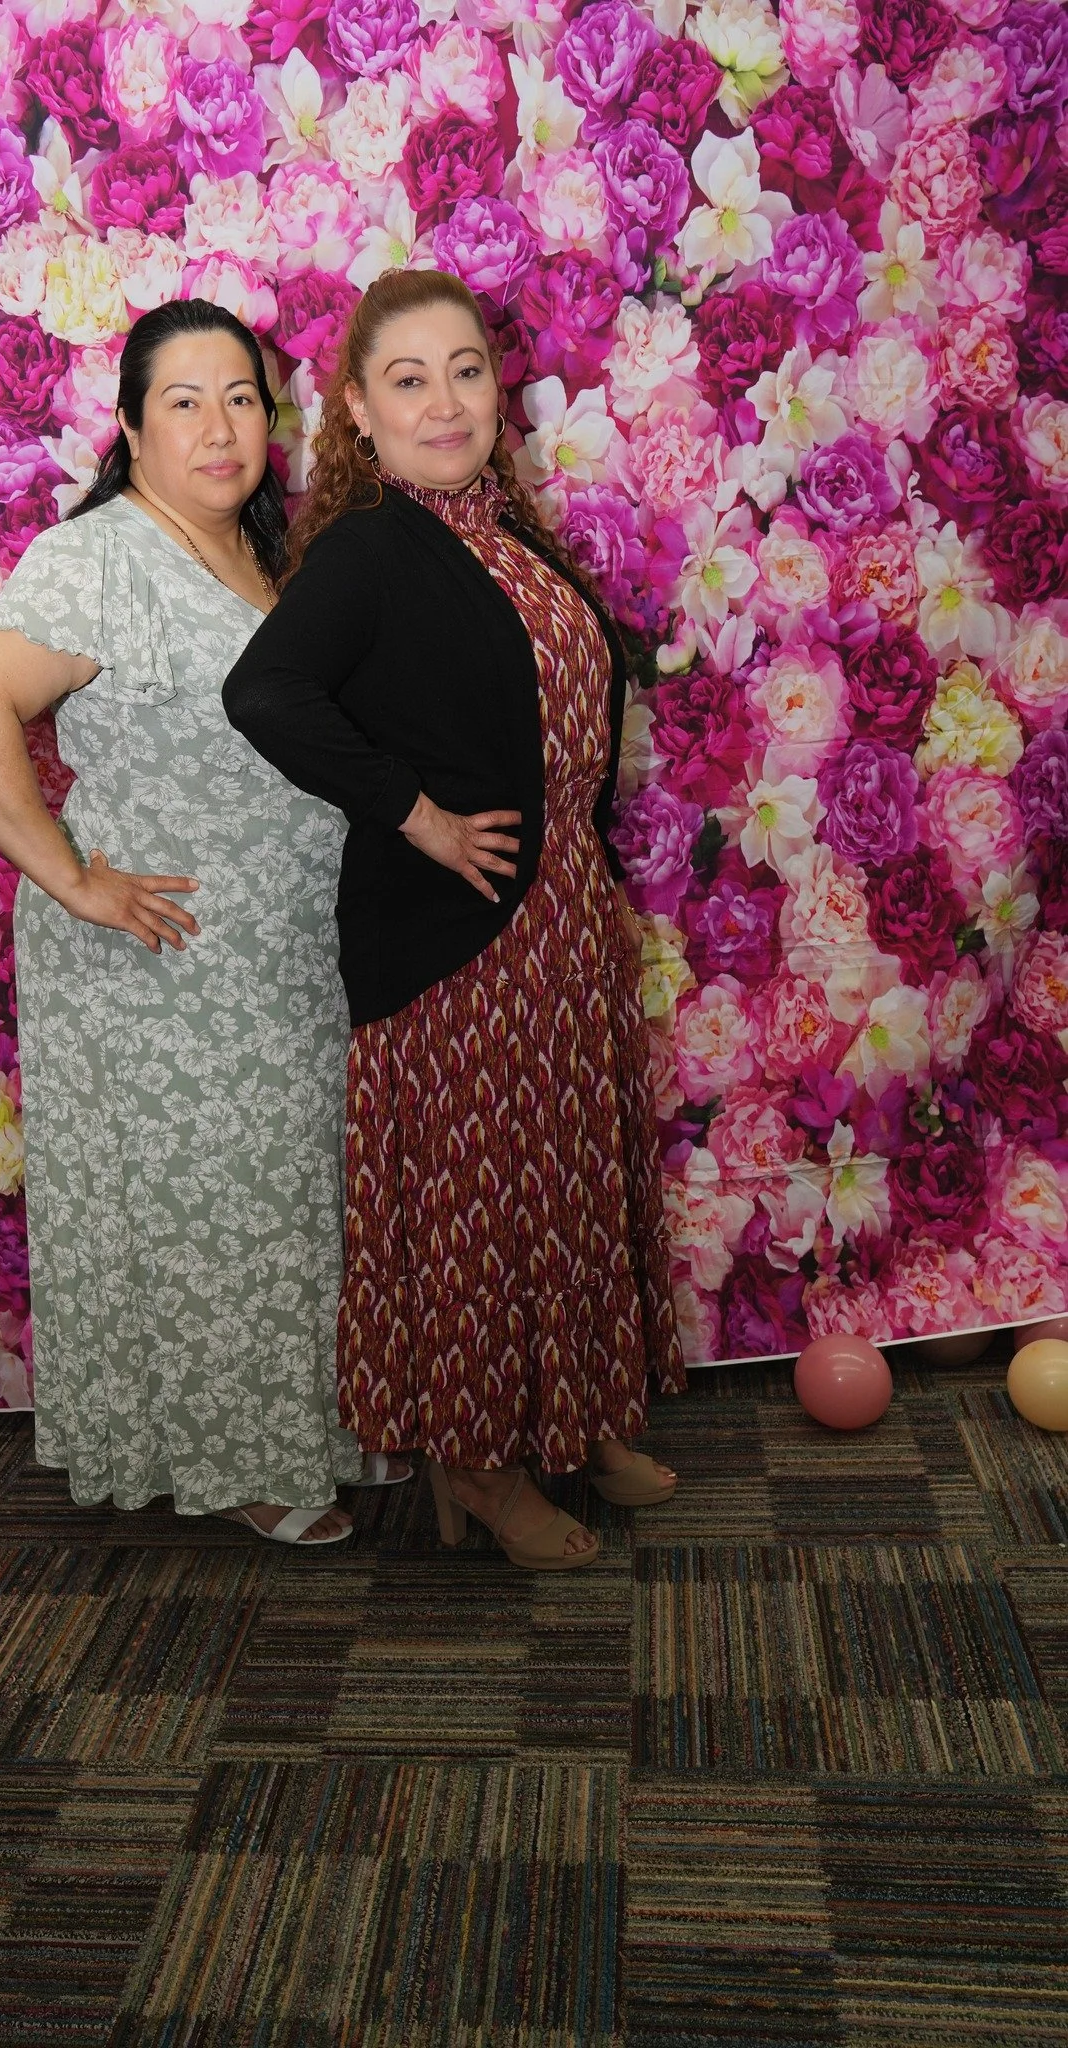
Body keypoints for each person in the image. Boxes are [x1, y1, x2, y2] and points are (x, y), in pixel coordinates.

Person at [0, 301, 408, 1545]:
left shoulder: (275, 554)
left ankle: (315, 1425)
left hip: (290, 952)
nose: (217, 425)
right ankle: (241, 1458)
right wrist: (76, 877)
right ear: (131, 428)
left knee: (296, 1199)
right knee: (216, 1207)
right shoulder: (100, 557)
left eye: (240, 396)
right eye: (183, 400)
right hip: (164, 963)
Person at [223, 271, 685, 1571]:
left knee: (567, 1185)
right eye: (408, 380)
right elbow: (265, 694)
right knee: (479, 1205)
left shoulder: (510, 539)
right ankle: (474, 1467)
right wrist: (411, 813)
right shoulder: (373, 549)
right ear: (358, 415)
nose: (445, 401)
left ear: (498, 389)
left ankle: (575, 1415)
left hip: (554, 926)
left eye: (466, 370)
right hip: (453, 939)